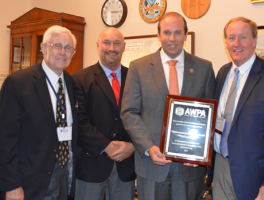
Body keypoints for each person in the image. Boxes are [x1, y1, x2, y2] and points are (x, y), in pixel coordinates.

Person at [121, 12, 215, 200]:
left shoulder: (204, 68)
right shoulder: (138, 67)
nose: (172, 39)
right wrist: (148, 147)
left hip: (190, 170)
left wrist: (201, 152)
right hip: (152, 167)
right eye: (166, 32)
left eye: (178, 32)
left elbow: (209, 117)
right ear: (158, 35)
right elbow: (129, 112)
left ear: (186, 35)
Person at [213, 17, 264, 200]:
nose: (236, 43)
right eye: (231, 37)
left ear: (254, 40)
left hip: (257, 177)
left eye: (242, 37)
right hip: (220, 168)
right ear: (225, 42)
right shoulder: (222, 73)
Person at [0, 25, 78, 200]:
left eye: (68, 48)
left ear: (73, 53)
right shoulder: (18, 83)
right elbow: (5, 140)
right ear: (43, 48)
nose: (63, 52)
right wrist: (11, 185)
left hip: (66, 174)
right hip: (31, 180)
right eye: (57, 46)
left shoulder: (72, 84)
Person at [72, 27, 136, 200]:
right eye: (106, 42)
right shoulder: (79, 79)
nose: (112, 48)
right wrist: (107, 147)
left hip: (125, 168)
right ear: (98, 45)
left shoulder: (134, 77)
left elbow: (142, 118)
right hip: (90, 167)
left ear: (124, 47)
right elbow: (79, 122)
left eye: (117, 43)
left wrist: (133, 145)